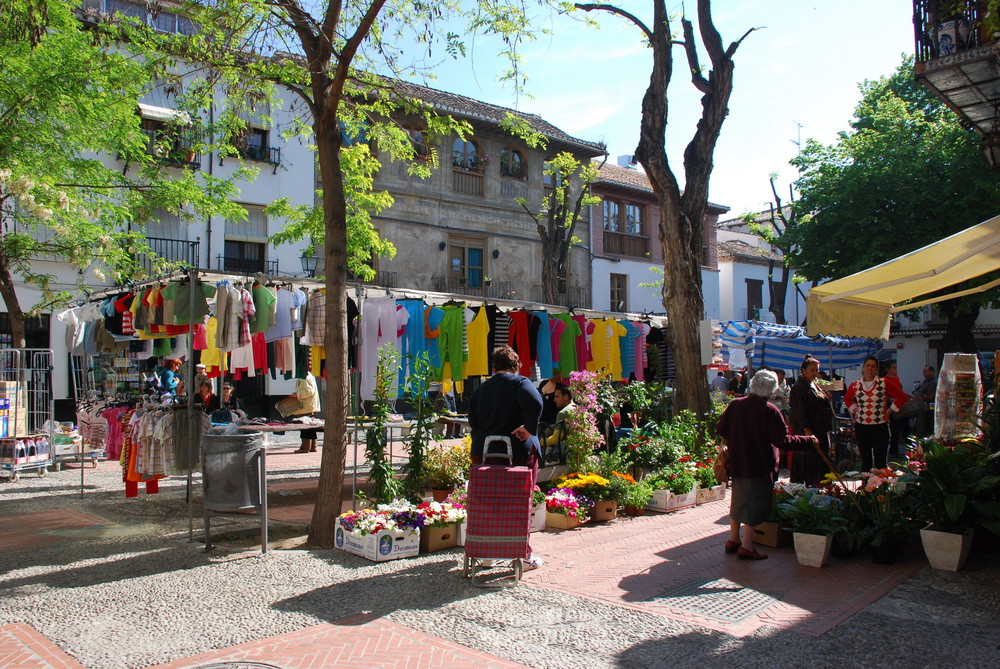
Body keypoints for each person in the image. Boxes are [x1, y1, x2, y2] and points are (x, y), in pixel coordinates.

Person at [716, 370, 818, 561]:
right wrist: (807, 440)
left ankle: (732, 539)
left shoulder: (736, 405)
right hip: (760, 465)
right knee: (755, 504)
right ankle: (746, 545)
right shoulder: (770, 410)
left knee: (738, 500)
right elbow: (782, 441)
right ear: (771, 389)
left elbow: (720, 428)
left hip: (738, 462)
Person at [469, 345, 544, 569]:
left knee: (487, 501)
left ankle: (487, 554)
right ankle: (523, 555)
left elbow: (473, 420)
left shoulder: (481, 389)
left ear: (494, 367)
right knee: (520, 502)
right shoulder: (520, 383)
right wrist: (529, 429)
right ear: (517, 365)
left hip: (483, 452)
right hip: (517, 452)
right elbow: (537, 404)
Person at [844, 356, 909, 471]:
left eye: (873, 366)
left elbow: (902, 397)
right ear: (863, 368)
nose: (870, 368)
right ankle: (865, 487)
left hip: (880, 426)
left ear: (877, 369)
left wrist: (889, 411)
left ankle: (881, 487)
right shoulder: (855, 385)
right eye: (867, 366)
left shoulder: (884, 383)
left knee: (880, 462)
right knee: (865, 461)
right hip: (861, 426)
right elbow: (847, 399)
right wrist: (855, 410)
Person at [788, 356, 833, 487]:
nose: (815, 373)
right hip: (808, 433)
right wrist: (807, 429)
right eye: (812, 370)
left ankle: (822, 489)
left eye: (817, 370)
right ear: (804, 370)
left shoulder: (814, 384)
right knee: (808, 464)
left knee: (821, 463)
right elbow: (798, 410)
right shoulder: (799, 387)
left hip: (821, 429)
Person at [288, 374, 322, 453]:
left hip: (306, 406)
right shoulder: (307, 376)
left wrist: (297, 394)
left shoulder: (305, 377)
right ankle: (313, 446)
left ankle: (305, 447)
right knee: (311, 426)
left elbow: (309, 391)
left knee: (305, 427)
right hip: (308, 405)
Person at [883, 360, 910, 455]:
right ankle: (894, 451)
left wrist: (907, 396)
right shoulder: (884, 380)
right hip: (892, 408)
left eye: (896, 367)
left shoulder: (897, 378)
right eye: (893, 367)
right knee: (895, 430)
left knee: (906, 429)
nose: (895, 369)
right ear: (888, 369)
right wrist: (891, 399)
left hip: (901, 406)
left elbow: (899, 391)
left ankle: (909, 451)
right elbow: (884, 394)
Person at [542, 386, 574, 465]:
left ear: (566, 397)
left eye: (557, 396)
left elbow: (555, 439)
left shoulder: (563, 413)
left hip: (567, 455)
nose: (554, 400)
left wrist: (539, 441)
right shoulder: (579, 409)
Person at [914, 366, 937, 437]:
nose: (924, 373)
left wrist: (922, 397)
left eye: (925, 371)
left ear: (931, 372)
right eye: (923, 371)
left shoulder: (933, 382)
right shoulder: (926, 381)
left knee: (928, 424)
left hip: (929, 407)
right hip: (922, 407)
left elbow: (930, 396)